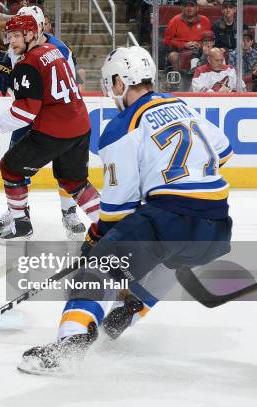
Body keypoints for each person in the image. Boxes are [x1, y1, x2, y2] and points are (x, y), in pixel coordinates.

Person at [17, 45, 234, 375]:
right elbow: (224, 152)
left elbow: (119, 209)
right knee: (169, 261)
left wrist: (94, 239)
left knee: (96, 266)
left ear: (121, 82)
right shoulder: (181, 106)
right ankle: (125, 314)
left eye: (111, 83)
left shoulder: (122, 126)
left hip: (171, 218)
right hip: (218, 227)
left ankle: (68, 346)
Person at [0, 15, 100, 241]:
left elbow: (25, 112)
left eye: (18, 35)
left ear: (31, 34)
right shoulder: (52, 50)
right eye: (10, 36)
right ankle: (110, 225)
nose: (12, 42)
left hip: (54, 130)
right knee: (74, 181)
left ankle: (21, 224)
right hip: (81, 126)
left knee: (10, 167)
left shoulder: (28, 63)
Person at [163, 0, 212, 74]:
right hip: (179, 51)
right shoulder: (174, 21)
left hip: (201, 50)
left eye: (192, 6)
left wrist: (201, 45)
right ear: (181, 8)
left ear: (197, 8)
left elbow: (210, 39)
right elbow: (166, 41)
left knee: (212, 52)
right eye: (186, 6)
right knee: (173, 56)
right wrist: (183, 45)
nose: (189, 8)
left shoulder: (205, 20)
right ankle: (180, 81)